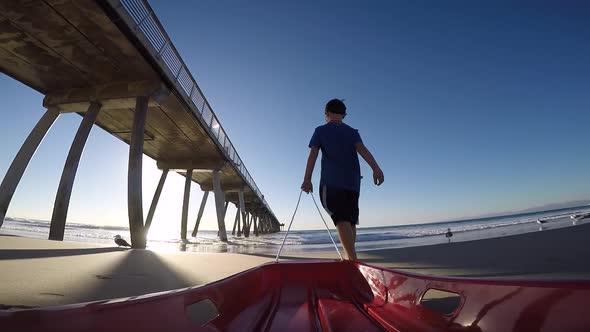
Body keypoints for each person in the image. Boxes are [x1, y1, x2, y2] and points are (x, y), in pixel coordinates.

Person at [301, 99, 384, 261]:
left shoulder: (320, 131)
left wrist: (307, 179)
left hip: (332, 183)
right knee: (350, 221)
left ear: (327, 114)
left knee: (340, 218)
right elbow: (363, 151)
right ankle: (349, 257)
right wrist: (376, 169)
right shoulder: (352, 132)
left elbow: (313, 155)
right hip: (353, 184)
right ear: (343, 114)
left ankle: (352, 261)